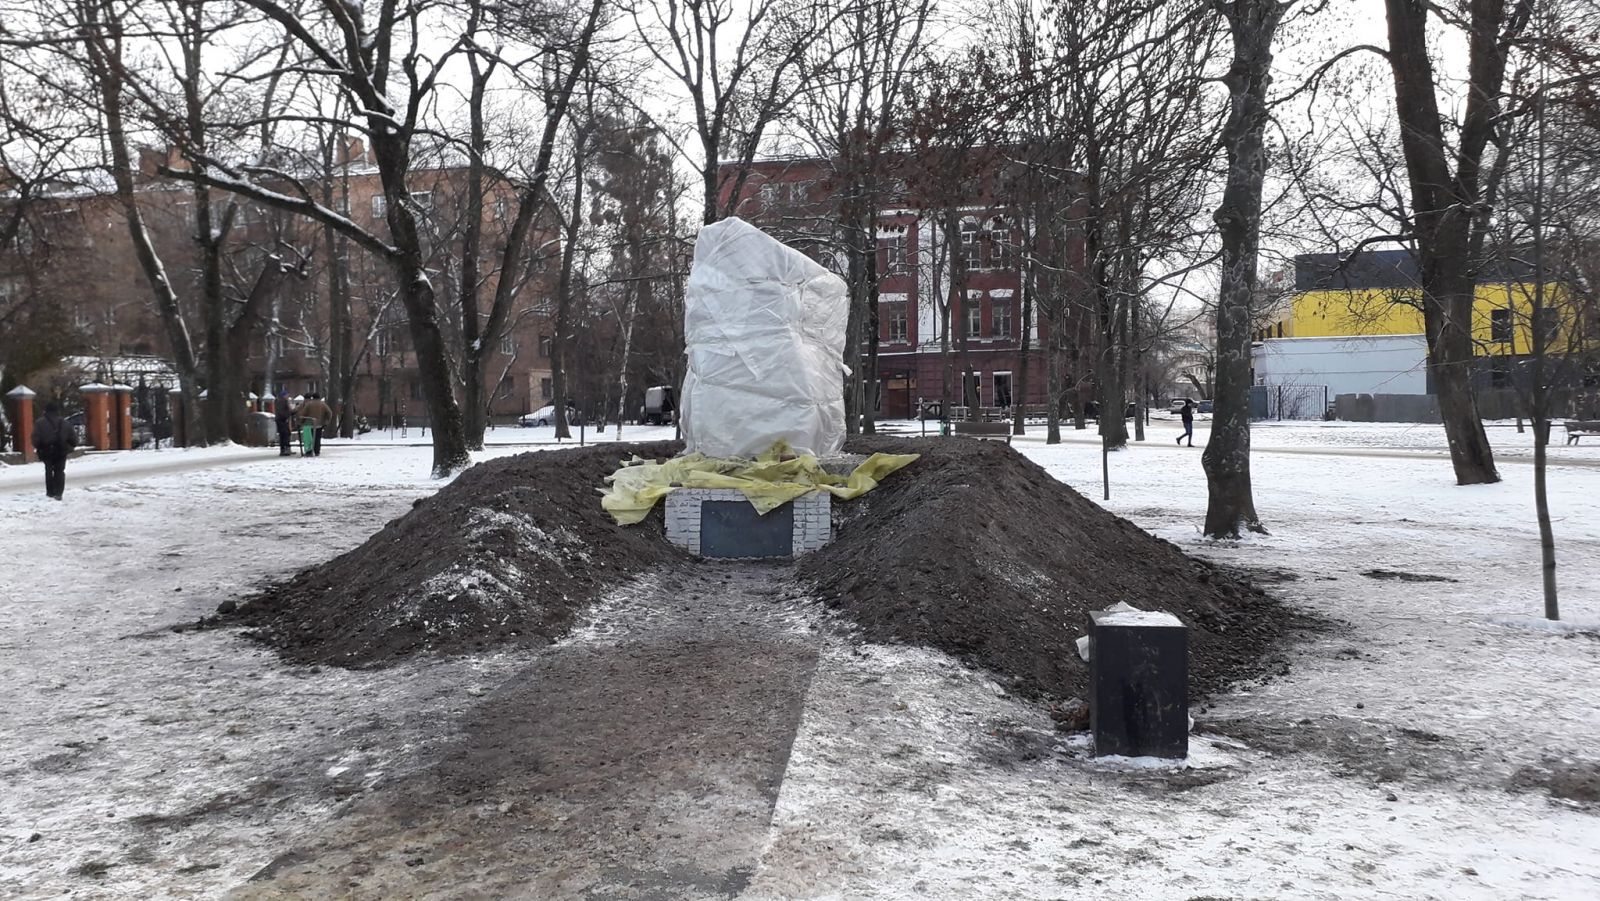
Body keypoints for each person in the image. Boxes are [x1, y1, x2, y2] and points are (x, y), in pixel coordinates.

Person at [32, 401, 78, 499]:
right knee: (60, 471)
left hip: (46, 450)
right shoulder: (65, 423)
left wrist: (39, 447)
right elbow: (74, 440)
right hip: (61, 450)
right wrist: (68, 447)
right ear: (57, 411)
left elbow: (35, 438)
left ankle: (50, 492)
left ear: (46, 411)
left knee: (48, 471)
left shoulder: (40, 423)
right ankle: (59, 493)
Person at [296, 392, 333, 457]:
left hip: (309, 424)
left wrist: (301, 422)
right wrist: (326, 421)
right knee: (317, 438)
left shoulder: (309, 404)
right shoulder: (323, 404)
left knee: (310, 438)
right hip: (319, 424)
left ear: (312, 398)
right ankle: (317, 451)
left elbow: (303, 413)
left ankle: (309, 451)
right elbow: (329, 412)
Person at [273, 390, 293, 456]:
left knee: (282, 435)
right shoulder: (283, 401)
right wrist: (289, 413)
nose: (288, 396)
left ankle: (283, 449)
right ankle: (286, 449)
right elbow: (286, 411)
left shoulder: (277, 401)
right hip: (283, 420)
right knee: (286, 434)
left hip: (279, 419)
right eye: (287, 395)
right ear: (284, 395)